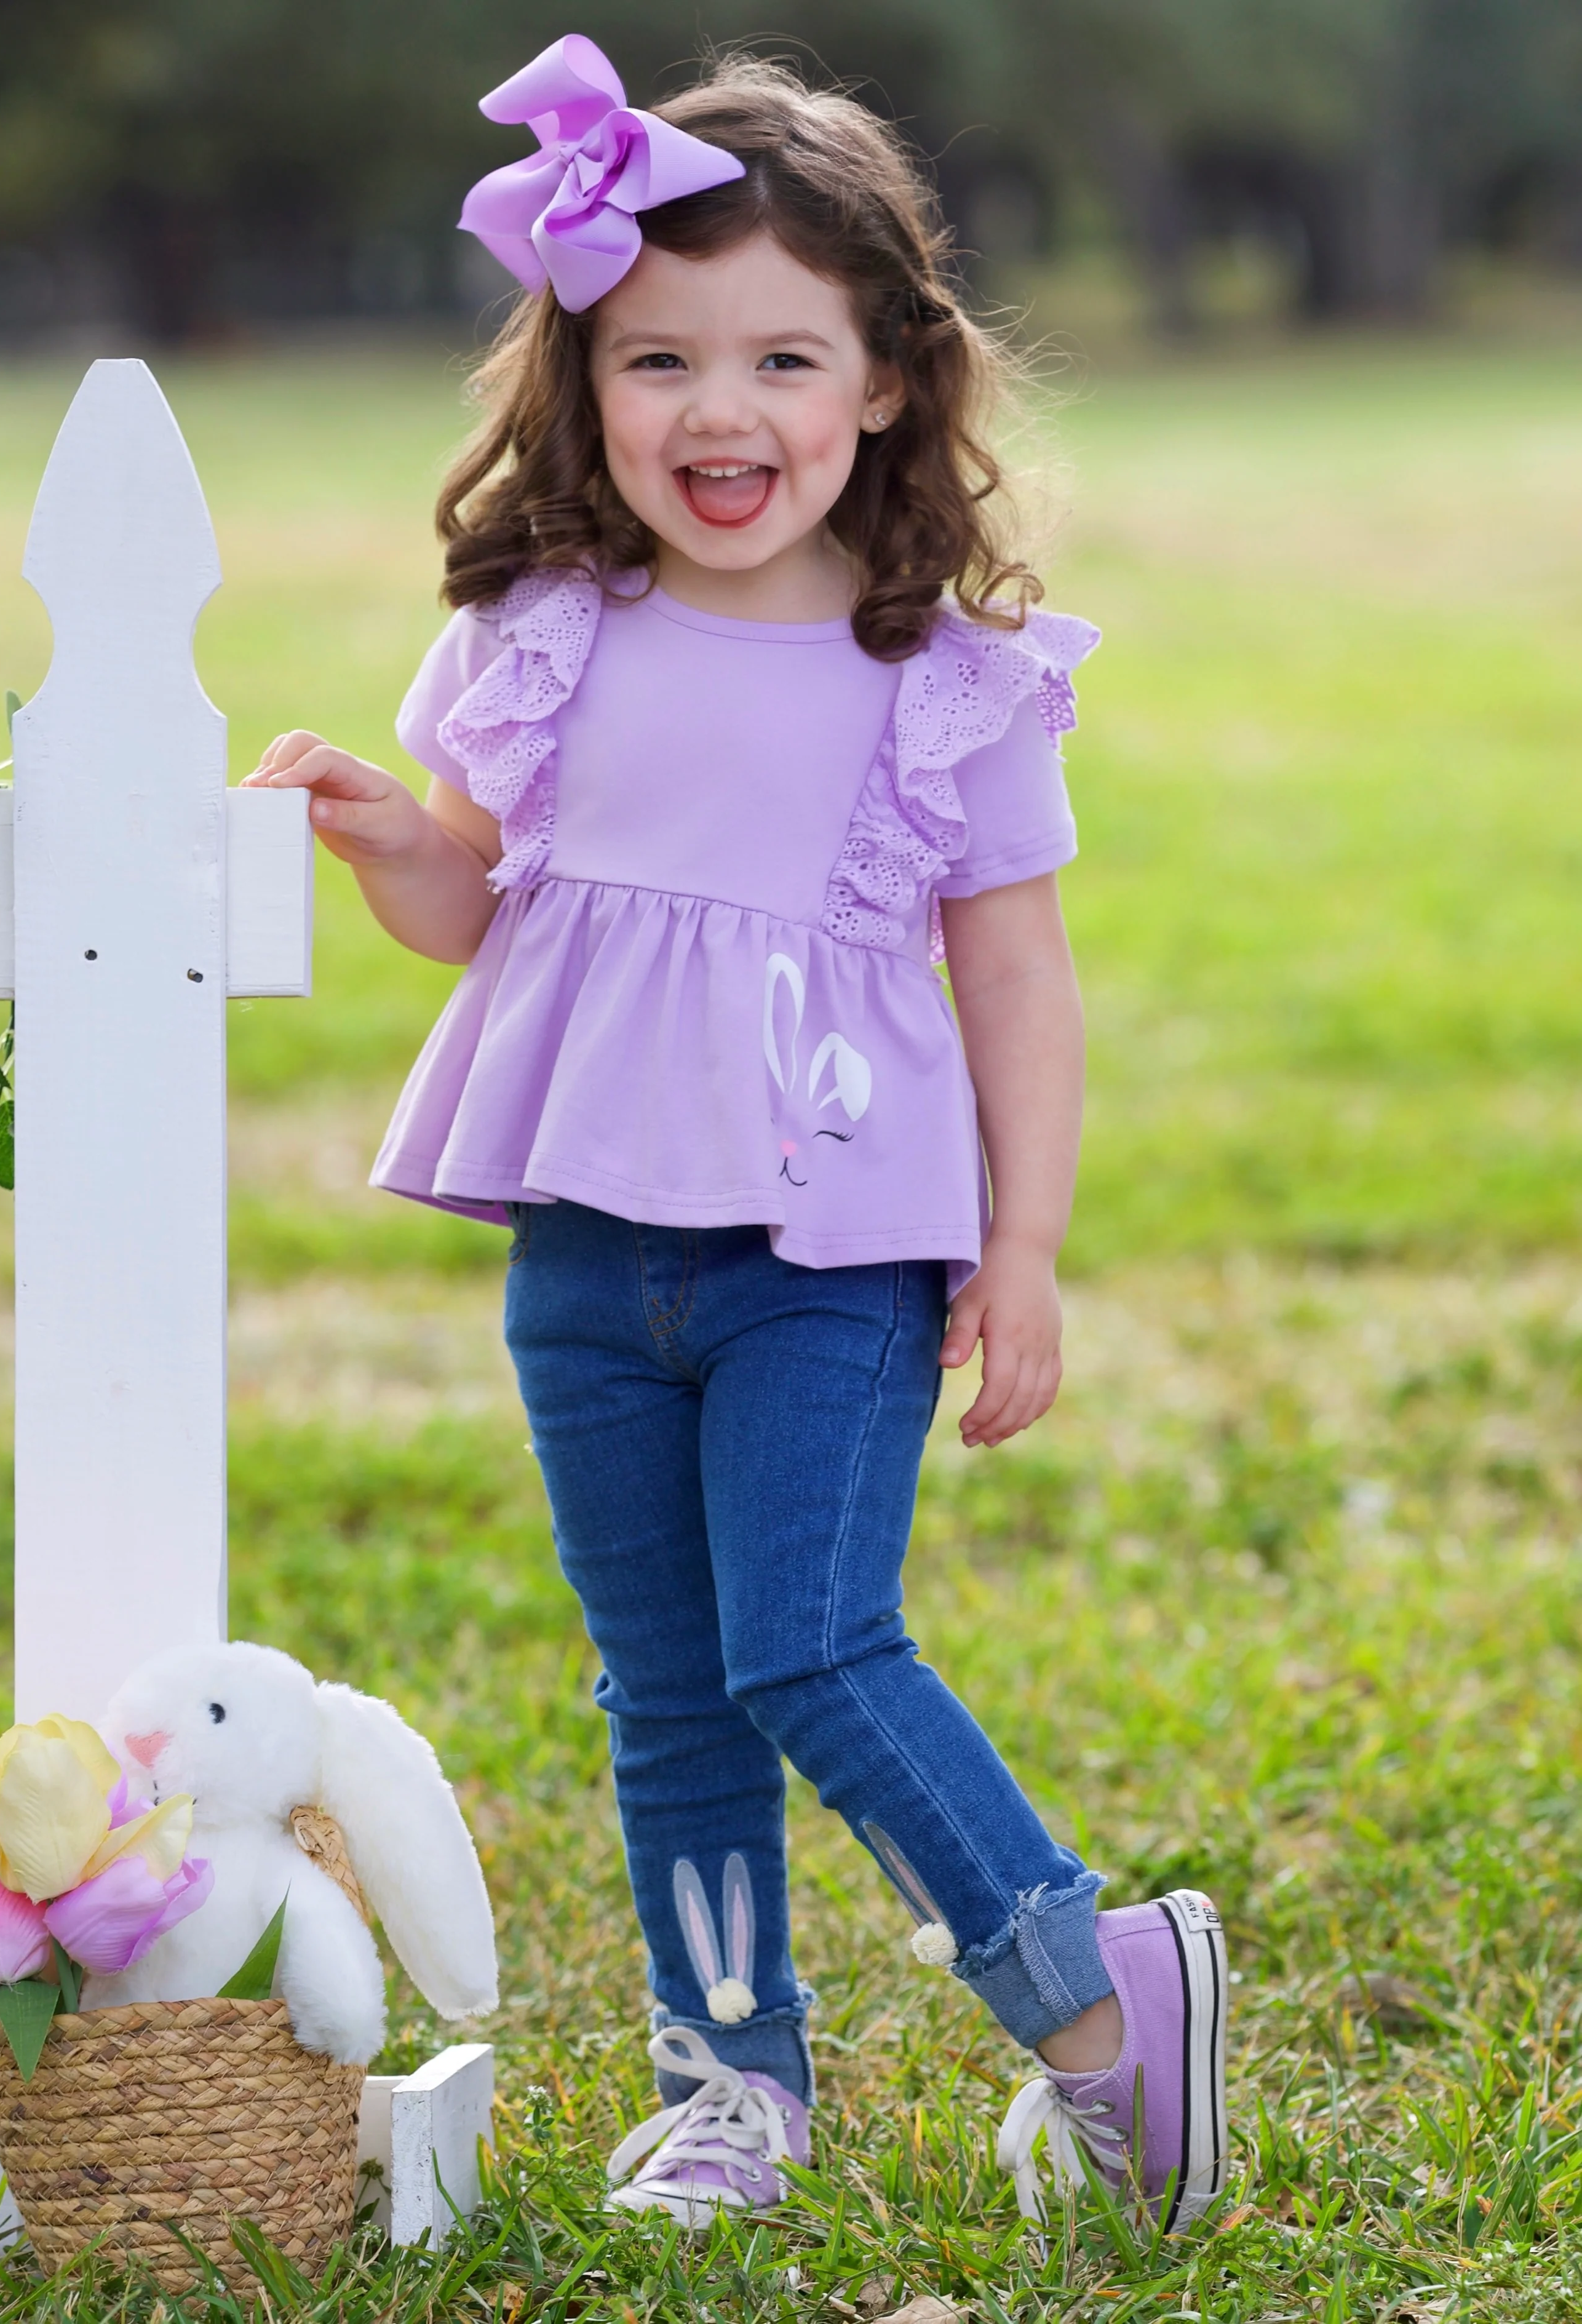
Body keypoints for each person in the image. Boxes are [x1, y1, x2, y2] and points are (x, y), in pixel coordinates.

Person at [245, 36, 1228, 2235]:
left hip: (832, 1255)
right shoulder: (541, 636)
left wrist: (1031, 1242)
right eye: (659, 357)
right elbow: (470, 907)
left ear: (886, 379)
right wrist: (395, 832)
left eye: (785, 356)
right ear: (582, 375)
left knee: (809, 1647)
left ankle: (1102, 2001)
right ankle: (731, 2086)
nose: (721, 412)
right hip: (588, 1250)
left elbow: (1017, 978)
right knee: (667, 1691)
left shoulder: (940, 676)